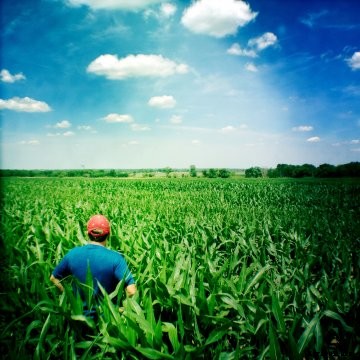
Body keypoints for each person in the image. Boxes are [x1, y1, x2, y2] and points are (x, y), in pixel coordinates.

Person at [50, 215, 136, 303]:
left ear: (87, 233)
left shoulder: (72, 254)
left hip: (78, 315)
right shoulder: (116, 258)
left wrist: (69, 297)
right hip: (107, 315)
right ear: (108, 235)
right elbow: (132, 291)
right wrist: (120, 308)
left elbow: (53, 278)